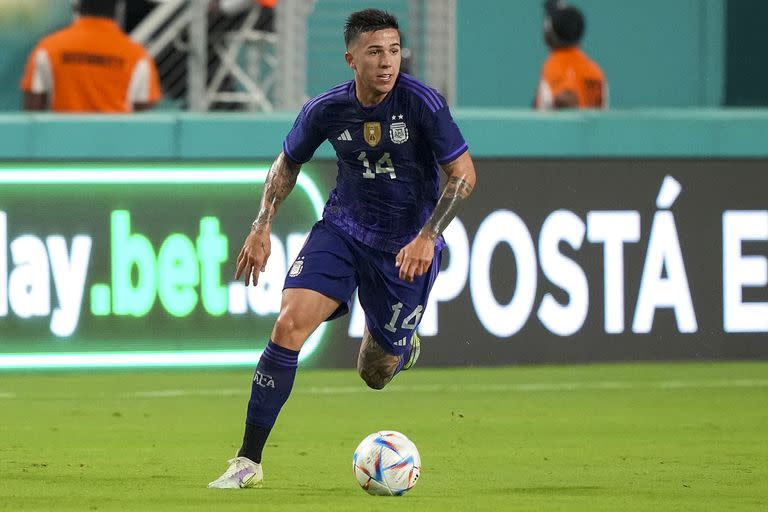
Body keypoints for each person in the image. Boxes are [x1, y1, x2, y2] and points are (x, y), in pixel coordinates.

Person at [208, 8, 477, 489]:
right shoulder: (326, 109)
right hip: (344, 231)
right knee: (289, 325)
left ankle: (400, 346)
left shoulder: (423, 105)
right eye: (375, 52)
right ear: (352, 58)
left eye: (394, 51)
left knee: (374, 373)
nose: (387, 62)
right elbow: (285, 165)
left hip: (404, 249)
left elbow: (464, 176)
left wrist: (428, 235)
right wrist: (261, 222)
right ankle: (247, 461)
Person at [20, 0, 161, 113]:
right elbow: (144, 120)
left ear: (78, 5)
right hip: (115, 146)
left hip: (62, 145)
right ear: (118, 5)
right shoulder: (137, 57)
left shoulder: (47, 48)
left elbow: (32, 114)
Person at [534, 0, 607, 110]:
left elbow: (568, 99)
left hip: (562, 127)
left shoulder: (556, 66)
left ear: (549, 31)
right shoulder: (594, 69)